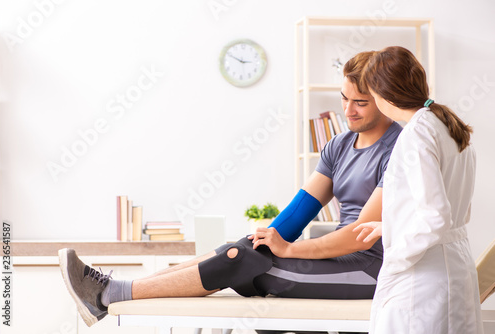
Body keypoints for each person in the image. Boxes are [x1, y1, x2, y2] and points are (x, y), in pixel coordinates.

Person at [59, 51, 403, 328]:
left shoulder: (399, 149)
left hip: (370, 269)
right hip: (337, 260)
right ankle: (112, 290)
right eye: (344, 99)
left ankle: (109, 293)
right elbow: (299, 212)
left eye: (360, 103)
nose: (347, 110)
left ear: (385, 100)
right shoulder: (339, 145)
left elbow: (360, 235)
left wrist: (289, 250)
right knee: (238, 250)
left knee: (246, 263)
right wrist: (264, 239)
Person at [352, 46, 483, 333]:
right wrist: (391, 225)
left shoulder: (416, 134)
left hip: (424, 278)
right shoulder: (448, 124)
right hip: (453, 266)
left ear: (384, 94)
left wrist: (396, 258)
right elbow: (454, 207)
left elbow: (436, 217)